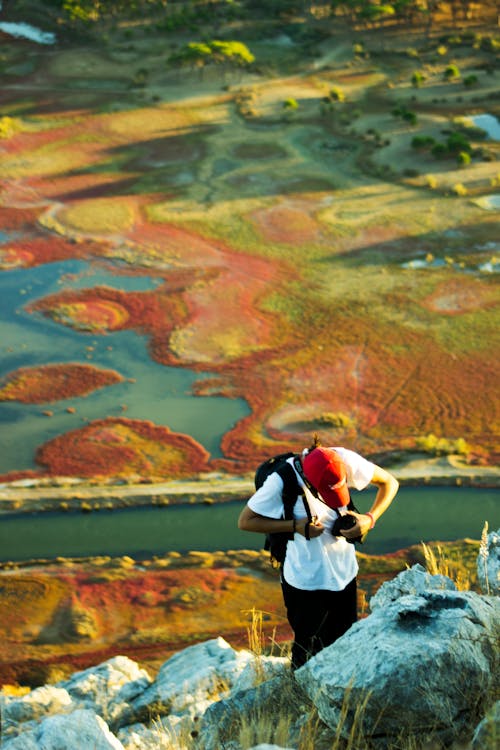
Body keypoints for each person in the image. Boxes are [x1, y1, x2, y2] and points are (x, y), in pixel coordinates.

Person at [238, 437, 399, 670]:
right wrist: (296, 526)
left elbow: (390, 483)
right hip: (304, 582)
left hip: (344, 574)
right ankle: (303, 697)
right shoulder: (281, 481)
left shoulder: (344, 459)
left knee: (345, 642)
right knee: (307, 650)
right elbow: (245, 521)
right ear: (310, 481)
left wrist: (369, 519)